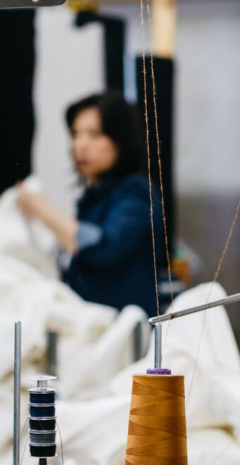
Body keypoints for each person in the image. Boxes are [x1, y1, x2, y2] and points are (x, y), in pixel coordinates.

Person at [16, 91, 163, 315]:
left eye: (95, 134)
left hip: (126, 329)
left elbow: (105, 248)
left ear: (120, 140)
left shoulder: (136, 193)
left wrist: (41, 210)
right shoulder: (93, 196)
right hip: (92, 324)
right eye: (76, 134)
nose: (80, 145)